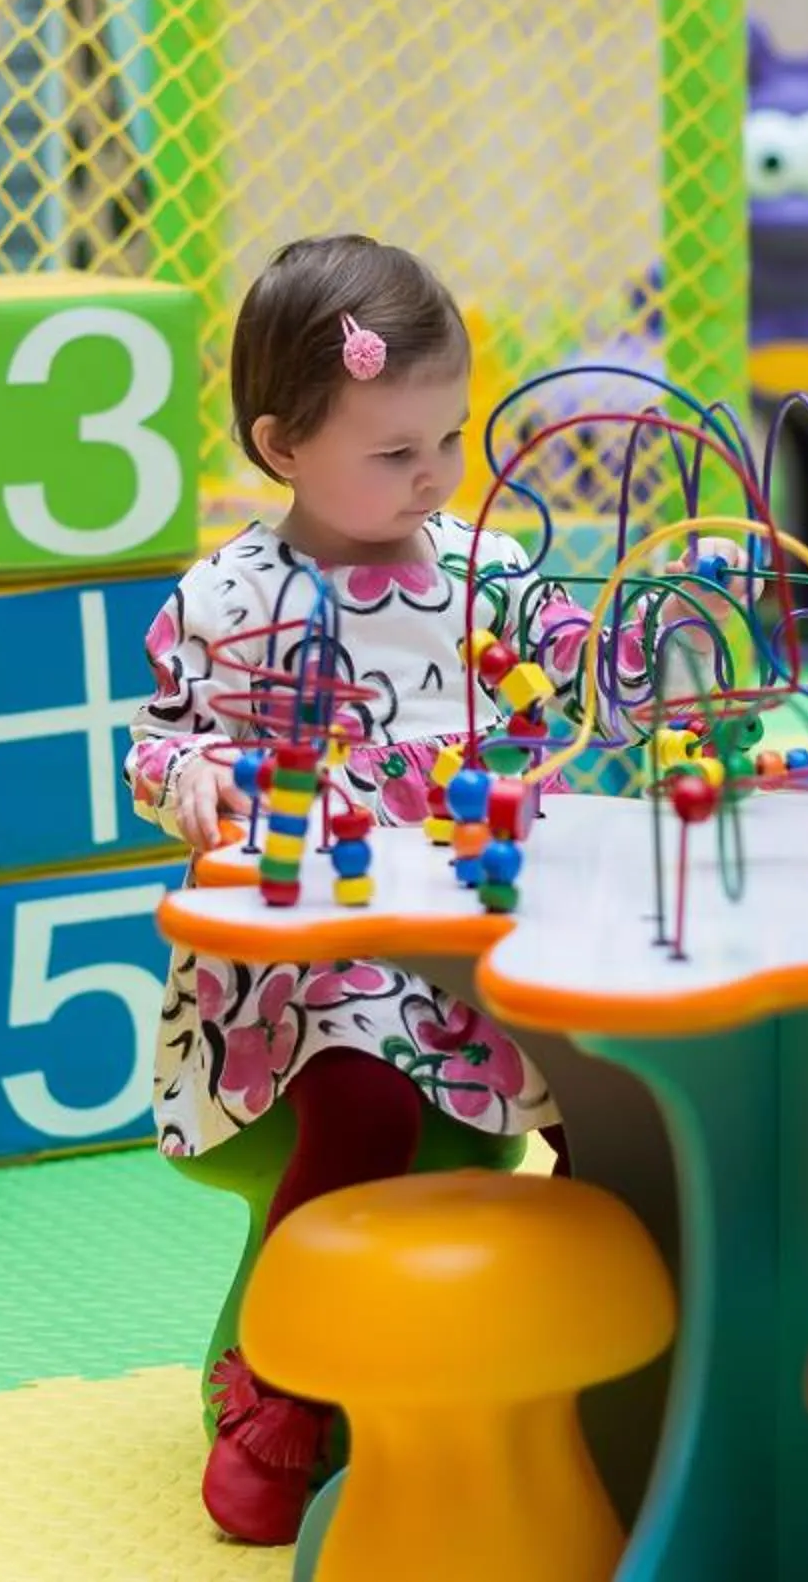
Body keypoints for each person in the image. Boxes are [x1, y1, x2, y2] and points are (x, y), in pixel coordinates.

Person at [125, 233, 593, 1545]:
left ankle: (609, 1353)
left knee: (636, 1083)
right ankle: (283, 1383)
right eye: (397, 452)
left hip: (489, 930)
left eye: (448, 439)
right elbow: (161, 742)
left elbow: (572, 654)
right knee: (365, 1081)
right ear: (282, 446)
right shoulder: (227, 598)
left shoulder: (486, 574)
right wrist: (196, 781)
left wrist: (630, 643)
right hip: (310, 966)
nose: (435, 475)